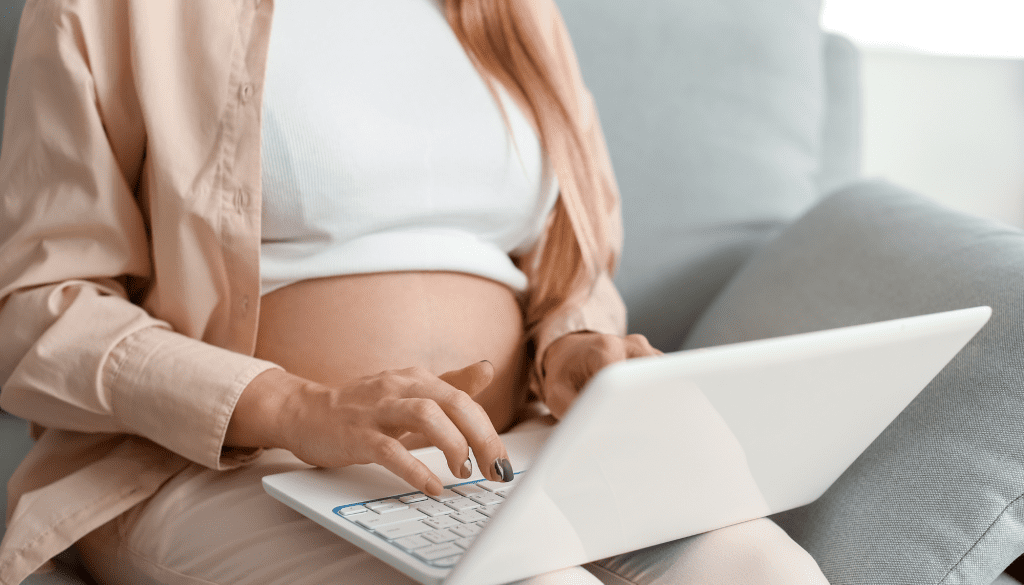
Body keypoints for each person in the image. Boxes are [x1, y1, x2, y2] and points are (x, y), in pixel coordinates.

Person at [0, 0, 830, 583]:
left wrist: (574, 349)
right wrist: (294, 406)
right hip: (229, 468)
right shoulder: (111, 8)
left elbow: (568, 265)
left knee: (765, 569)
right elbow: (39, 306)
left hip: (510, 450)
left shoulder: (512, 9)